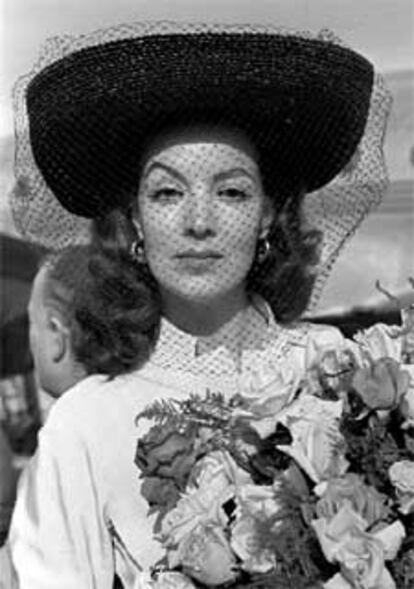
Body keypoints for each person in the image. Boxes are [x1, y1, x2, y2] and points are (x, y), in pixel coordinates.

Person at [4, 21, 391, 588]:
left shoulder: (343, 374)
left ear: (266, 215)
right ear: (135, 219)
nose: (199, 222)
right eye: (166, 193)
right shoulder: (85, 425)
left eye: (231, 192)